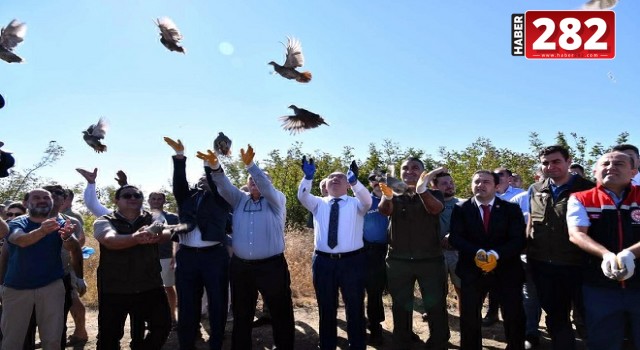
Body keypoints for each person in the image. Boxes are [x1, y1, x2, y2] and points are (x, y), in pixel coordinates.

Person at [198, 145, 295, 350]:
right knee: (242, 313)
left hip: (272, 267)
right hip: (241, 267)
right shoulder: (239, 200)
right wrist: (215, 168)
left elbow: (265, 186)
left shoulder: (277, 200)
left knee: (280, 311)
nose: (254, 182)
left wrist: (251, 166)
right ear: (246, 184)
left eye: (260, 179)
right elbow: (224, 187)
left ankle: (284, 346)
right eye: (250, 180)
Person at [567, 151, 640, 349]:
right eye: (605, 163)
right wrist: (606, 255)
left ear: (633, 171)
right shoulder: (581, 198)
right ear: (595, 171)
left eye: (619, 164)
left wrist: (630, 253)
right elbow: (576, 234)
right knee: (603, 341)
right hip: (599, 285)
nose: (611, 167)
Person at [165, 137, 232, 350]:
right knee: (187, 303)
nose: (204, 180)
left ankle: (216, 342)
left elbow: (217, 182)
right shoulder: (187, 197)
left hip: (214, 256)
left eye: (208, 178)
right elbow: (179, 182)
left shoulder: (222, 199)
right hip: (187, 257)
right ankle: (187, 343)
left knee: (218, 301)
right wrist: (179, 158)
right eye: (202, 178)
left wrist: (210, 166)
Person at [298, 157, 371, 350]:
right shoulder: (318, 203)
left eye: (341, 177)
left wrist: (356, 182)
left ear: (348, 184)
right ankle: (327, 345)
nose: (335, 179)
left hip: (352, 262)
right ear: (326, 184)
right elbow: (302, 196)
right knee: (326, 307)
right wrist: (307, 178)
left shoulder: (357, 204)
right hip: (323, 263)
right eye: (331, 177)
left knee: (355, 307)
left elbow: (368, 200)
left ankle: (357, 345)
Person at [378, 158, 449, 350]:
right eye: (405, 168)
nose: (410, 171)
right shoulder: (394, 195)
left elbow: (435, 209)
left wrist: (422, 190)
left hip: (430, 260)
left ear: (423, 173)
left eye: (415, 168)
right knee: (400, 305)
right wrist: (388, 193)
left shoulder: (434, 193)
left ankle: (438, 342)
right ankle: (402, 341)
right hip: (398, 261)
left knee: (435, 306)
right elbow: (384, 211)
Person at [450, 170, 526, 350]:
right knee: (469, 316)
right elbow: (456, 238)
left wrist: (496, 254)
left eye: (486, 182)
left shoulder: (511, 209)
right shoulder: (461, 209)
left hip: (506, 270)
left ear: (497, 186)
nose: (480, 185)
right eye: (476, 181)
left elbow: (518, 240)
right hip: (472, 271)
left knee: (513, 315)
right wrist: (478, 252)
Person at [527, 145, 595, 349]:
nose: (550, 166)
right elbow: (531, 223)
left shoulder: (588, 189)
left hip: (578, 266)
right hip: (543, 265)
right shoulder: (536, 189)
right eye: (545, 162)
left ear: (568, 161)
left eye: (556, 161)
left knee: (588, 316)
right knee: (556, 317)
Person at [93, 185, 172, 349]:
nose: (133, 198)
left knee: (162, 327)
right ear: (117, 200)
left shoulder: (153, 218)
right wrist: (136, 238)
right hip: (115, 288)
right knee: (109, 337)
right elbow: (109, 240)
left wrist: (155, 236)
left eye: (137, 195)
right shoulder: (104, 220)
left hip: (150, 285)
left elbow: (165, 233)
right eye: (127, 195)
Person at [0, 188, 80, 350]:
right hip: (16, 288)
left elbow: (71, 246)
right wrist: (42, 231)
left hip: (51, 287)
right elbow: (20, 240)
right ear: (26, 203)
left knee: (52, 340)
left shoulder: (62, 223)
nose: (42, 200)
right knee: (12, 341)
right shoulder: (16, 223)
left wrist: (67, 237)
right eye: (36, 197)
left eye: (46, 197)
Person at [483, 167, 526, 326]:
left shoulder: (520, 195)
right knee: (491, 282)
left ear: (509, 178)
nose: (497, 177)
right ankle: (492, 313)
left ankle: (518, 321)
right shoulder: (487, 194)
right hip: (489, 247)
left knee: (512, 286)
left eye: (501, 174)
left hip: (512, 249)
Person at [362, 171, 390, 345]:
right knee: (373, 291)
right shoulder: (364, 201)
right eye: (373, 179)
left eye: (382, 179)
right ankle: (375, 325)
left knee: (400, 291)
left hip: (394, 251)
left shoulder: (396, 197)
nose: (378, 182)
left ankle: (405, 328)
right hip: (370, 251)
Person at [431, 171, 462, 315]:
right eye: (444, 183)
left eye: (451, 182)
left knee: (461, 286)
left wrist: (452, 235)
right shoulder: (428, 204)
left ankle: (465, 314)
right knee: (437, 287)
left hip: (457, 253)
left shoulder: (463, 203)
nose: (449, 186)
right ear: (435, 187)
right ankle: (437, 314)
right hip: (435, 252)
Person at [148, 192, 180, 328]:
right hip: (148, 258)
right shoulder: (143, 216)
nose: (156, 201)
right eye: (153, 199)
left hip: (166, 256)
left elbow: (178, 238)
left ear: (164, 201)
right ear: (149, 201)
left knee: (168, 288)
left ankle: (172, 317)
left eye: (159, 199)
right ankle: (153, 319)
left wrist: (175, 256)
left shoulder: (172, 217)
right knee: (150, 290)